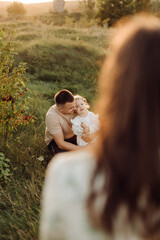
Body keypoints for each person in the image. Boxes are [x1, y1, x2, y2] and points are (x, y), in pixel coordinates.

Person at [40, 15, 160, 240]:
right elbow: (60, 142)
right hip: (64, 143)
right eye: (69, 108)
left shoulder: (65, 174)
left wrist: (91, 139)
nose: (73, 109)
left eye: (75, 106)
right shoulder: (53, 119)